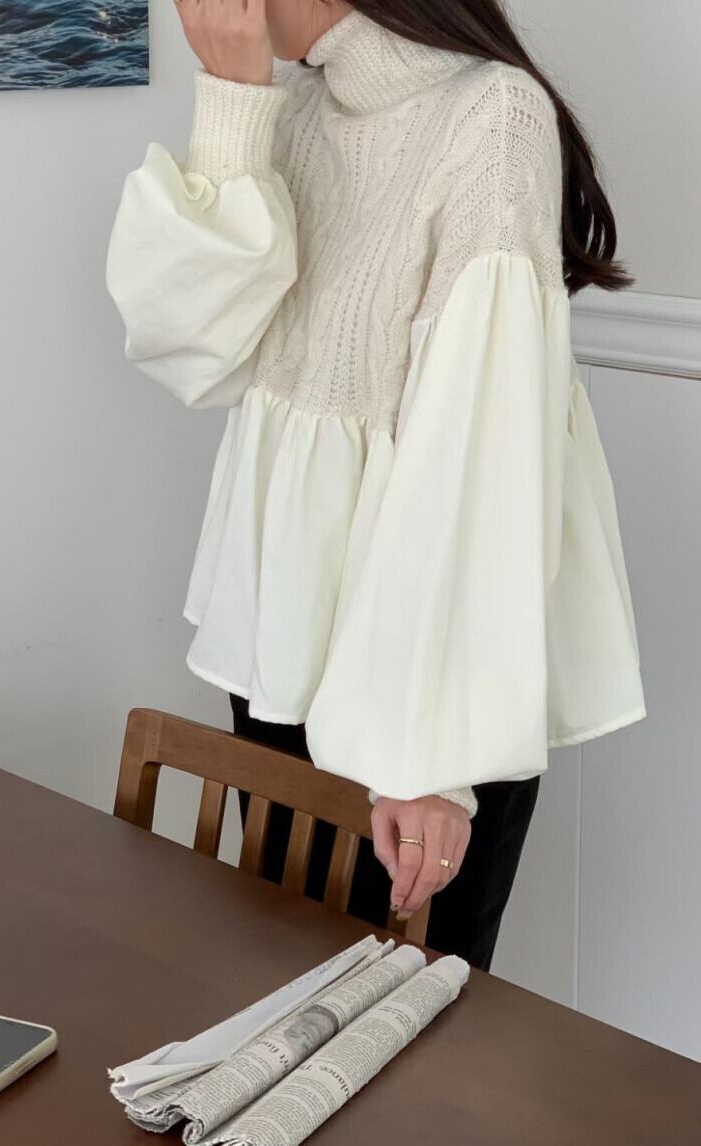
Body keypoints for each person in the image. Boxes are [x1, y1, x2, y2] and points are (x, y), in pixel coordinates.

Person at [105, 0, 646, 970]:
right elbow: (189, 347)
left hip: (420, 695)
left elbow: (480, 451)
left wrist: (430, 760)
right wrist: (230, 102)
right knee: (276, 988)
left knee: (403, 1029)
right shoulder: (295, 109)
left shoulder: (491, 113)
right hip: (281, 655)